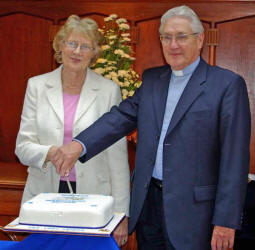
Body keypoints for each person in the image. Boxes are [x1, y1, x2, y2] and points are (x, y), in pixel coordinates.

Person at [51, 6, 251, 250]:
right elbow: (119, 117)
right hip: (149, 207)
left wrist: (226, 222)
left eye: (181, 36)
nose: (173, 44)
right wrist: (78, 145)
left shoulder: (227, 85)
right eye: (166, 37)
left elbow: (235, 160)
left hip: (196, 216)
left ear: (200, 40)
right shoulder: (153, 80)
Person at [15, 15, 130, 247]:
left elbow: (117, 159)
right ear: (60, 46)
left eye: (85, 46)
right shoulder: (36, 86)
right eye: (71, 43)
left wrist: (121, 214)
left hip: (94, 200)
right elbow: (22, 148)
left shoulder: (109, 90)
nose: (77, 51)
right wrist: (53, 152)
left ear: (94, 52)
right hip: (44, 194)